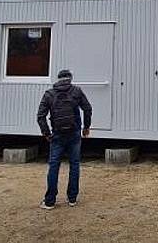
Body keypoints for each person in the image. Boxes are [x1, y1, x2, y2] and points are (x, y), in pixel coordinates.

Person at [37, 69, 92, 210]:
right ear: (70, 79)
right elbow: (87, 108)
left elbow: (40, 116)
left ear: (58, 79)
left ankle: (50, 201)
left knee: (54, 165)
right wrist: (86, 127)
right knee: (74, 164)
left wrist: (46, 133)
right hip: (74, 133)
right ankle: (72, 198)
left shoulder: (49, 94)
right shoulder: (76, 91)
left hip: (57, 135)